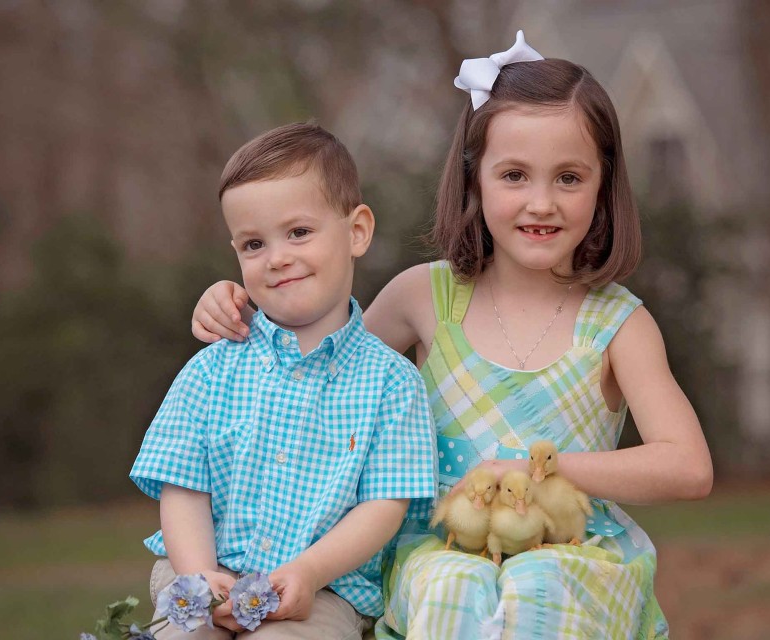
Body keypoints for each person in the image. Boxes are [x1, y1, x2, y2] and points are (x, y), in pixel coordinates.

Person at [190, 31, 713, 639]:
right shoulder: (424, 298)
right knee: (450, 585)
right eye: (514, 175)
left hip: (570, 550)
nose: (540, 202)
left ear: (603, 185)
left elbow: (687, 467)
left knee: (541, 586)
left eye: (569, 178)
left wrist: (543, 466)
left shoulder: (617, 324)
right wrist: (242, 307)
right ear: (475, 180)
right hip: (441, 550)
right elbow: (313, 373)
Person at [130, 122, 437, 640]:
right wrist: (200, 573)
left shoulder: (390, 383)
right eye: (254, 243)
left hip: (320, 590)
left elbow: (384, 505)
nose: (277, 257)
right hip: (202, 572)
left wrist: (310, 572)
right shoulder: (212, 368)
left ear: (357, 230)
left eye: (299, 232)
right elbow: (182, 484)